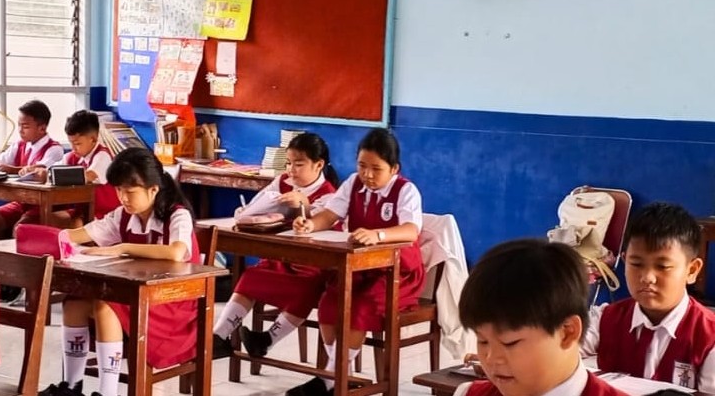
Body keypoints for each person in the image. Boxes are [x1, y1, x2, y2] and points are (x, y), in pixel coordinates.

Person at [38, 147, 198, 396]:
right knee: (74, 303)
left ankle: (107, 392)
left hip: (171, 303)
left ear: (153, 189)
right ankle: (71, 385)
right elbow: (84, 233)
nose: (123, 198)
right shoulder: (123, 216)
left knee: (105, 305)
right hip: (136, 294)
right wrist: (49, 238)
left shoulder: (178, 215)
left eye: (130, 191)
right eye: (119, 190)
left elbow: (177, 252)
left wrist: (121, 248)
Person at [286, 128, 425, 396]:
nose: (367, 175)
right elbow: (330, 215)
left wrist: (378, 235)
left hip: (395, 273)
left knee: (359, 306)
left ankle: (330, 380)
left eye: (376, 169)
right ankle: (338, 374)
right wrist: (310, 224)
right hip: (359, 268)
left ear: (394, 168)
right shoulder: (353, 183)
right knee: (329, 303)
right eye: (362, 166)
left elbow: (411, 230)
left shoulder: (406, 190)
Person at [211, 132, 339, 360]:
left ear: (319, 165)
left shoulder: (330, 194)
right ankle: (219, 337)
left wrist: (303, 206)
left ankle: (267, 339)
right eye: (288, 163)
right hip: (281, 256)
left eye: (299, 164)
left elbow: (320, 223)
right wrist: (247, 213)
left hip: (313, 265)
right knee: (251, 275)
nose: (291, 170)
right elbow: (257, 203)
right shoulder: (282, 182)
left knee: (308, 287)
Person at [456, 238, 627, 396]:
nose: (491, 358)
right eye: (483, 341)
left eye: (510, 343)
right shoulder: (468, 393)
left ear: (567, 332)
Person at [582, 202, 715, 392]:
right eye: (636, 264)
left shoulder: (709, 338)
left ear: (692, 270)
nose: (647, 278)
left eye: (662, 267)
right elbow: (558, 356)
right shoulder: (604, 318)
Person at [0, 99, 64, 241]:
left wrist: (12, 170)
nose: (20, 130)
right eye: (19, 125)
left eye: (25, 126)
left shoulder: (54, 149)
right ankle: (0, 255)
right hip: (21, 202)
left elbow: (40, 171)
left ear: (42, 128)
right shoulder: (20, 144)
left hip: (41, 205)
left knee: (20, 230)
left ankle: (16, 255)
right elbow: (0, 162)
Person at [22, 110, 119, 227]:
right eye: (70, 143)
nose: (73, 148)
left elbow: (88, 176)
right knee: (37, 219)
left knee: (75, 224)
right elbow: (54, 168)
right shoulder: (72, 157)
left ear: (93, 139)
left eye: (77, 144)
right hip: (82, 211)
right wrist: (37, 170)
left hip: (104, 213)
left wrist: (49, 175)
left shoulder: (103, 156)